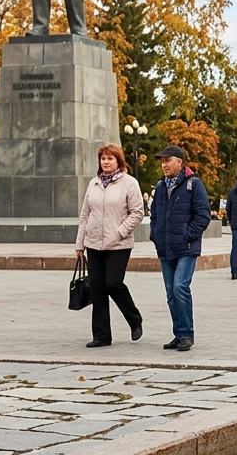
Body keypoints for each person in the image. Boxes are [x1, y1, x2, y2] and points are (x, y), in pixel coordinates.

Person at [75, 144, 145, 348]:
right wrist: (80, 244)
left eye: (110, 159)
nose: (105, 162)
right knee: (97, 288)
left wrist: (120, 232)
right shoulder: (93, 184)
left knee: (113, 283)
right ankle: (102, 335)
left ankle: (134, 319)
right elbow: (85, 215)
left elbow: (137, 213)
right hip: (94, 243)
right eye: (103, 159)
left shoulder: (129, 183)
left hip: (119, 244)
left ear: (118, 161)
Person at [150, 145, 211, 352]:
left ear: (179, 162)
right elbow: (155, 215)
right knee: (170, 293)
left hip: (186, 248)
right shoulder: (160, 186)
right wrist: (155, 234)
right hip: (166, 247)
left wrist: (188, 235)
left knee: (180, 287)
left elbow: (204, 215)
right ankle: (178, 333)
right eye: (162, 161)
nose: (164, 165)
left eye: (168, 161)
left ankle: (186, 334)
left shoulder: (193, 184)